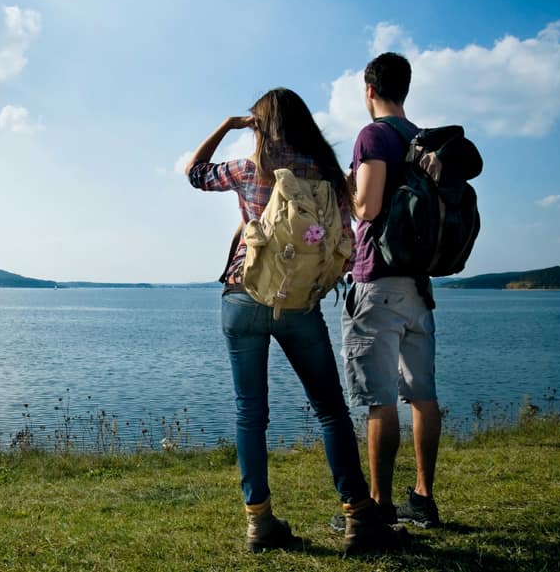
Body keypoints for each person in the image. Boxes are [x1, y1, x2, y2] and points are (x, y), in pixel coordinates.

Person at [186, 87, 406, 553]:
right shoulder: (327, 172)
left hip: (243, 297)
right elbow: (346, 234)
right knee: (330, 409)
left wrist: (228, 127)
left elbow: (195, 174)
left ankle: (259, 522)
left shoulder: (250, 168)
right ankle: (358, 517)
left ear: (261, 125)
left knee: (251, 412)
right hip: (300, 305)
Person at [341, 52, 442, 529]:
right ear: (405, 88)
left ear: (369, 91)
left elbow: (368, 206)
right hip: (419, 287)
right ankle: (423, 497)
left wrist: (348, 190)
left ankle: (379, 509)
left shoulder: (373, 136)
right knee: (422, 395)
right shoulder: (421, 140)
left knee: (380, 400)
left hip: (377, 280)